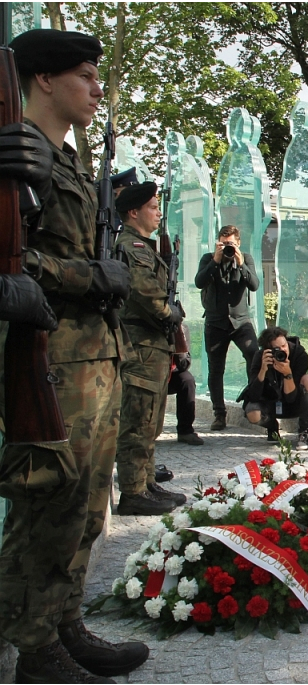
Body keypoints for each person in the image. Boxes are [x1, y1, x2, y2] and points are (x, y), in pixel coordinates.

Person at [0, 28, 149, 683]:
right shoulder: (20, 155)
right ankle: (33, 646)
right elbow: (18, 258)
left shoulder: (67, 161)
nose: (96, 89)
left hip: (98, 355)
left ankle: (63, 622)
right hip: (53, 353)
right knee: (49, 499)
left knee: (88, 506)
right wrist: (93, 278)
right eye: (85, 76)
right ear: (43, 81)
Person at [112, 181, 186, 516]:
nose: (158, 213)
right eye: (153, 208)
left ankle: (146, 483)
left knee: (152, 420)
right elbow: (147, 295)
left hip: (153, 344)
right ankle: (132, 491)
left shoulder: (144, 245)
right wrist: (172, 313)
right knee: (138, 420)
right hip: (140, 343)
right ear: (133, 212)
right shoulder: (132, 246)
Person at [194, 224, 260, 431]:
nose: (227, 248)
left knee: (254, 356)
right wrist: (215, 259)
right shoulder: (208, 259)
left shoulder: (245, 259)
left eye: (231, 243)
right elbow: (199, 282)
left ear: (238, 243)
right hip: (216, 322)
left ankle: (252, 404)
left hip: (241, 321)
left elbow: (255, 285)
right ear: (218, 243)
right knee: (216, 369)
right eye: (223, 244)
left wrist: (241, 263)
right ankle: (219, 414)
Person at [239, 326, 308, 450]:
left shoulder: (299, 354)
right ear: (268, 350)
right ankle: (272, 428)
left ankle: (305, 432)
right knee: (253, 414)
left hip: (294, 403)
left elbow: (291, 397)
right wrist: (263, 370)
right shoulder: (260, 357)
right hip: (270, 403)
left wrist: (287, 374)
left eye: (284, 346)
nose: (283, 351)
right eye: (277, 349)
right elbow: (253, 395)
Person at [167, 322, 203, 446]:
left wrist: (178, 338)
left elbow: (184, 365)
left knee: (187, 380)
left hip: (170, 374)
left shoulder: (181, 328)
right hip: (148, 372)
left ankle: (185, 431)